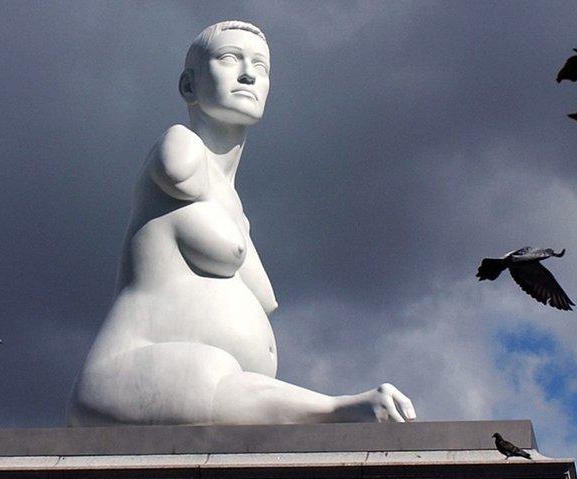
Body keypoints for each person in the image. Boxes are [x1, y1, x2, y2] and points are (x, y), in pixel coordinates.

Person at [67, 21, 414, 426]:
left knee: (216, 376)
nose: (248, 74)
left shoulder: (237, 212)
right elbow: (176, 169)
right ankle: (334, 409)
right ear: (188, 86)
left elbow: (265, 299)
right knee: (209, 372)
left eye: (260, 67)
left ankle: (333, 410)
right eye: (229, 59)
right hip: (133, 375)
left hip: (215, 395)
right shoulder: (181, 145)